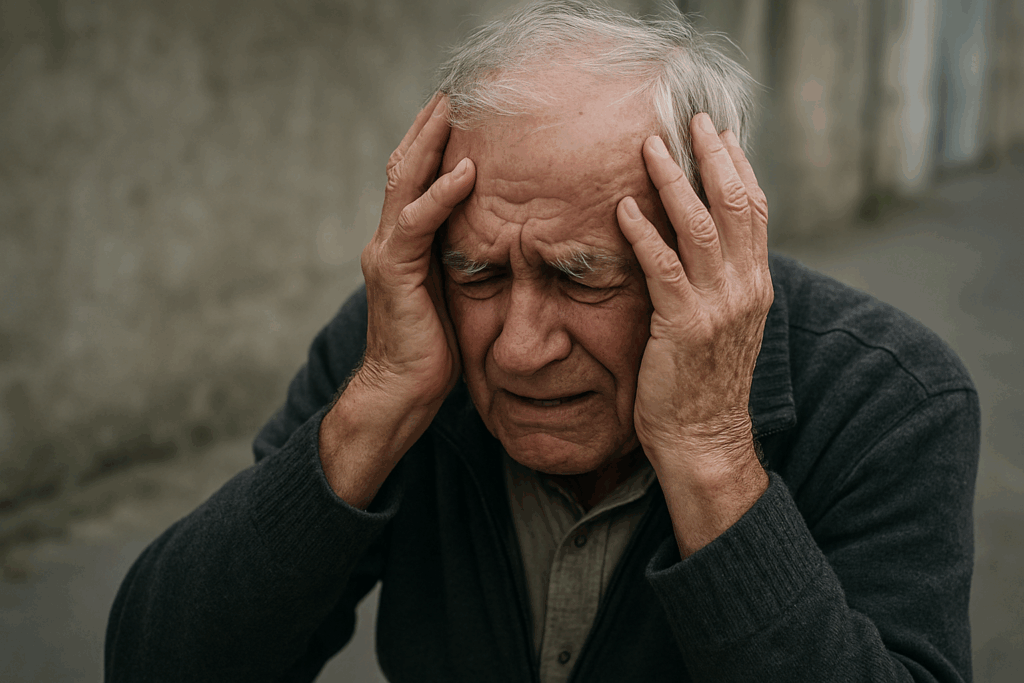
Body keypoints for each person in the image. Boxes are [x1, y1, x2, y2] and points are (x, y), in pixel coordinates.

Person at [105, 2, 979, 682]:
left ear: (706, 243)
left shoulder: (887, 397)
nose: (518, 349)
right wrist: (373, 408)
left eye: (580, 275)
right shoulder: (408, 346)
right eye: (479, 272)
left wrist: (711, 458)